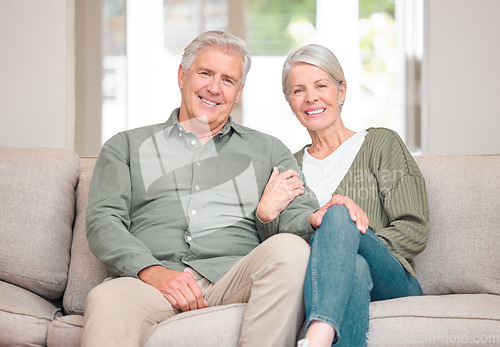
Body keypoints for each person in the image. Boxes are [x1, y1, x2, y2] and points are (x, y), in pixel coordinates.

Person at [82, 31, 322, 347]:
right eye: (205, 73)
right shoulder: (126, 146)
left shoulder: (269, 151)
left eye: (228, 80)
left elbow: (299, 220)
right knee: (106, 298)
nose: (213, 88)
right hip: (151, 285)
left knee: (291, 250)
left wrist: (311, 218)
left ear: (238, 93)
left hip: (233, 280)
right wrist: (154, 272)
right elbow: (103, 222)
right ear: (182, 76)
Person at [261, 44, 430, 347]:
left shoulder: (380, 143)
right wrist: (265, 216)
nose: (311, 97)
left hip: (391, 279)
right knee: (353, 267)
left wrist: (344, 240)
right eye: (298, 90)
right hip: (326, 280)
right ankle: (319, 339)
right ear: (290, 102)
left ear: (341, 91)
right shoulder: (290, 169)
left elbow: (414, 228)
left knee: (338, 213)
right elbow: (275, 247)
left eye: (321, 85)